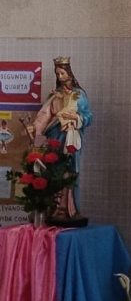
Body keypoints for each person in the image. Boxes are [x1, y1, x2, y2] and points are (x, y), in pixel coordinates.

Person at [27, 57, 93, 211]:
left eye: (62, 73)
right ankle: (53, 209)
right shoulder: (54, 95)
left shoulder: (79, 94)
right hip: (54, 138)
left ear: (69, 73)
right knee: (52, 170)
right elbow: (44, 116)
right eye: (57, 74)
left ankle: (68, 208)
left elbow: (88, 116)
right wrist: (34, 128)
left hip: (69, 137)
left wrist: (76, 118)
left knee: (68, 172)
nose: (60, 77)